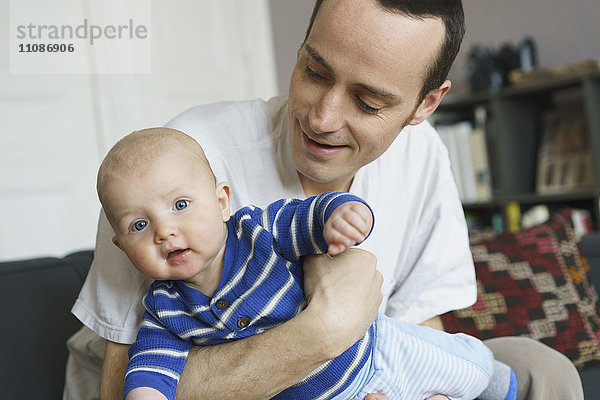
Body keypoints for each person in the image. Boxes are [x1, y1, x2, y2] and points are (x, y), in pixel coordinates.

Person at [64, 1, 584, 399]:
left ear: (425, 105)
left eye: (368, 101)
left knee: (544, 372)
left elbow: (421, 325)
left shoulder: (421, 154)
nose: (323, 118)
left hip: (365, 370)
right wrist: (323, 331)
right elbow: (119, 385)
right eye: (315, 71)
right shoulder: (174, 169)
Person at [98, 127, 516, 400]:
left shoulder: (255, 232)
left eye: (181, 205)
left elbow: (304, 218)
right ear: (121, 246)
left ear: (222, 202)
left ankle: (500, 383)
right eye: (139, 224)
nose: (164, 231)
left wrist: (341, 214)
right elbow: (151, 368)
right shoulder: (165, 310)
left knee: (467, 370)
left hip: (375, 353)